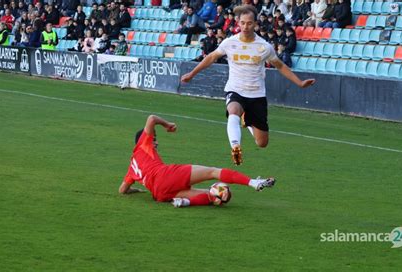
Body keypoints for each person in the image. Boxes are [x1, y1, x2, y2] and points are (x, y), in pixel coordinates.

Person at [181, 5, 315, 165]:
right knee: (233, 111)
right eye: (243, 23)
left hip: (256, 94)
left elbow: (280, 65)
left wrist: (299, 82)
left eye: (249, 23)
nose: (245, 26)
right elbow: (210, 57)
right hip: (235, 89)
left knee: (262, 143)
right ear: (238, 23)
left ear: (255, 23)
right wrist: (192, 74)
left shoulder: (264, 47)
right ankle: (235, 147)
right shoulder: (230, 42)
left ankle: (247, 120)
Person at [119, 115, 276, 208]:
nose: (156, 143)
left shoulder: (131, 167)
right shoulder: (142, 144)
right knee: (212, 171)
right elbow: (151, 118)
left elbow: (122, 189)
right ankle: (253, 182)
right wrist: (167, 125)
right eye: (154, 139)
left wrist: (135, 190)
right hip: (166, 175)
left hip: (159, 194)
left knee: (213, 197)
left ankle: (184, 202)